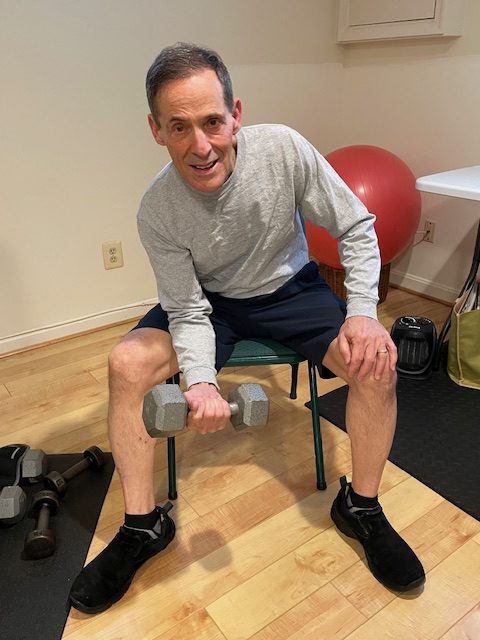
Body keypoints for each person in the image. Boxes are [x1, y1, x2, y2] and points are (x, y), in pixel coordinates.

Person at [69, 42, 425, 614]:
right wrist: (203, 382)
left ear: (236, 114)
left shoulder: (282, 149)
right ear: (155, 130)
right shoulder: (156, 210)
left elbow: (356, 227)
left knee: (375, 365)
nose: (200, 145)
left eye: (212, 121)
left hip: (291, 291)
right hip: (209, 305)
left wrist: (363, 312)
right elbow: (186, 311)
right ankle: (141, 527)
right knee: (127, 363)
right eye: (178, 127)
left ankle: (360, 506)